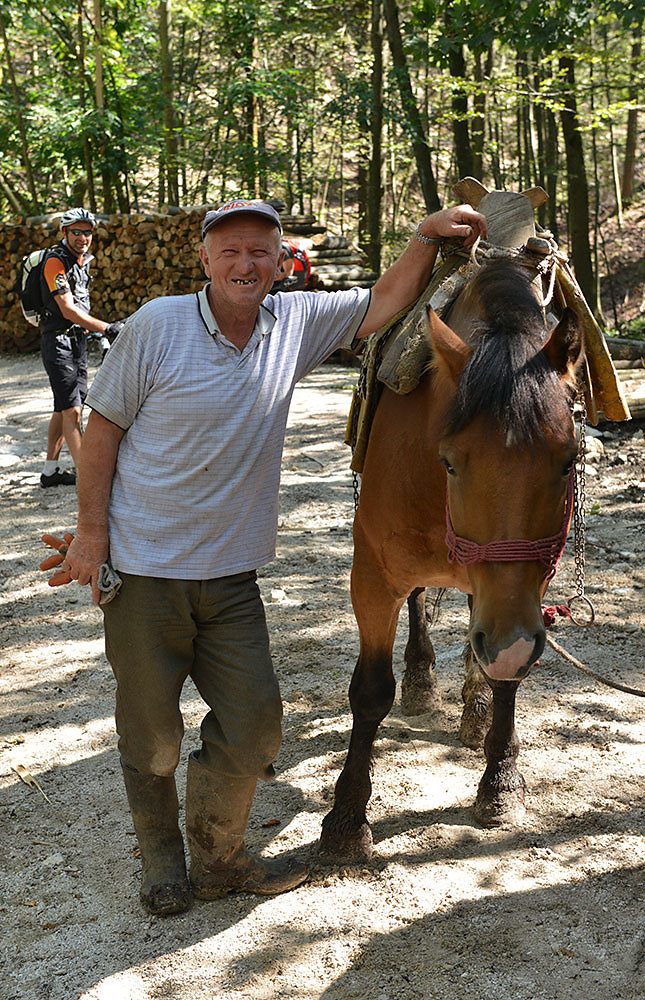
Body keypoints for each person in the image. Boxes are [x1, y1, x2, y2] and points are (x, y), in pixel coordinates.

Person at [43, 197, 486, 916]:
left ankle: (217, 861)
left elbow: (382, 299)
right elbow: (102, 431)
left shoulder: (293, 323)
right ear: (204, 261)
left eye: (260, 252)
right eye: (230, 251)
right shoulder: (157, 325)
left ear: (281, 263)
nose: (245, 265)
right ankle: (163, 864)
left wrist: (423, 237)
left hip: (230, 578)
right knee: (152, 739)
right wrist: (91, 534)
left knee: (255, 730)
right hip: (145, 575)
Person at [39, 208, 124, 487]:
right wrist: (106, 328)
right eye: (76, 231)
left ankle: (50, 473)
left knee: (61, 408)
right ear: (65, 232)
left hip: (76, 341)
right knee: (73, 412)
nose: (83, 237)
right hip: (58, 343)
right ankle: (90, 478)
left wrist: (96, 333)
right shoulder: (55, 262)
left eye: (87, 232)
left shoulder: (81, 261)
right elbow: (67, 309)